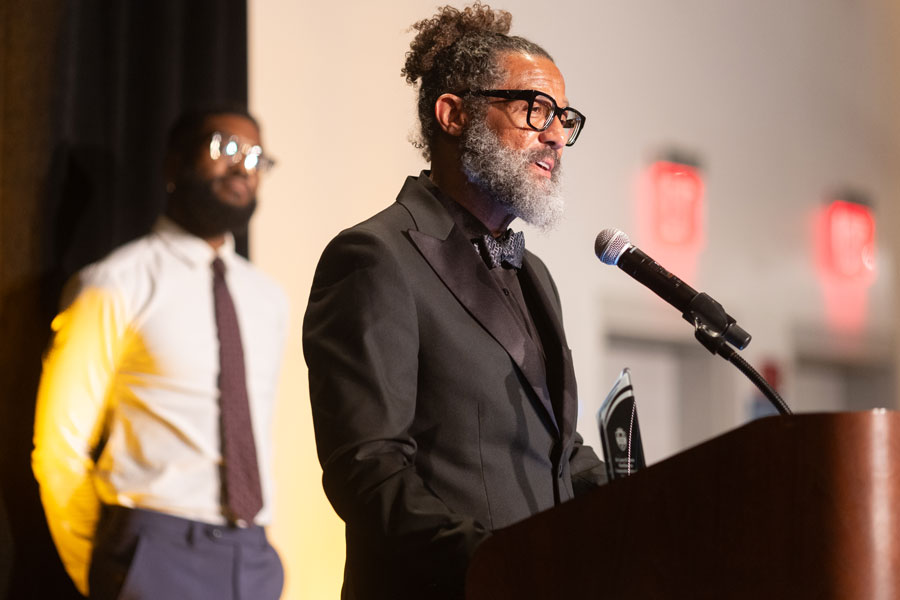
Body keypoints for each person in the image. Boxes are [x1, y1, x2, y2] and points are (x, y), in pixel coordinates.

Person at [302, 4, 607, 599]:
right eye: (534, 110)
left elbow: (557, 451)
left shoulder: (534, 275)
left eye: (563, 118)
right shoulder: (374, 256)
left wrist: (662, 500)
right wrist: (497, 563)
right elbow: (368, 467)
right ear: (453, 114)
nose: (555, 136)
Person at [32, 107, 287, 599]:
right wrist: (105, 571)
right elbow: (59, 449)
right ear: (175, 168)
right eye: (225, 148)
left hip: (254, 559)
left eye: (256, 157)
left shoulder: (266, 297)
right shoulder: (114, 284)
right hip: (153, 551)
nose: (243, 167)